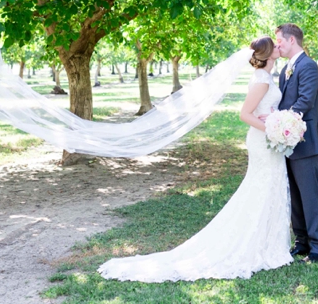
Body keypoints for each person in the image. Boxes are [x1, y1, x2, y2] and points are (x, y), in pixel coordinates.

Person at [98, 36, 292, 282]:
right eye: (274, 45)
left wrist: (275, 120)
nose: (278, 47)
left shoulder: (266, 77)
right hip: (263, 141)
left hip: (267, 140)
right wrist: (274, 129)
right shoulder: (262, 81)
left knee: (268, 188)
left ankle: (267, 242)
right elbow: (245, 114)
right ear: (266, 54)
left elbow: (264, 110)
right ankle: (255, 244)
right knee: (262, 187)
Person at [275, 23, 318, 263]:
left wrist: (280, 122)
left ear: (291, 41)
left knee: (309, 196)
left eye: (279, 41)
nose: (277, 45)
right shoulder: (285, 68)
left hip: (305, 141)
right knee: (295, 196)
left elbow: (305, 101)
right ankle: (302, 242)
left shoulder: (308, 66)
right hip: (287, 140)